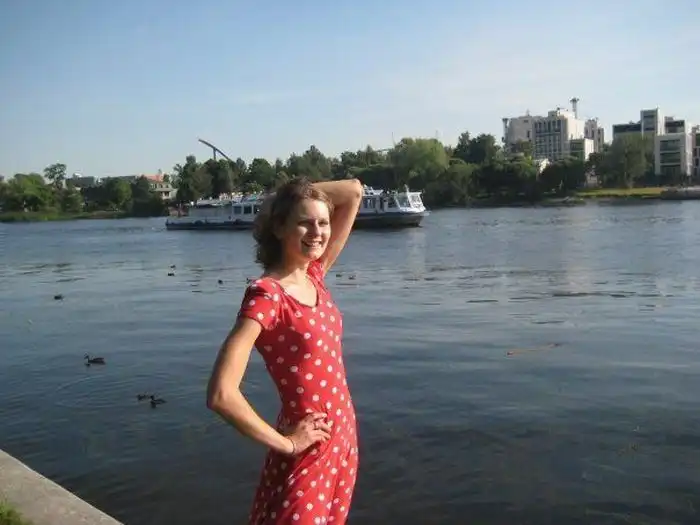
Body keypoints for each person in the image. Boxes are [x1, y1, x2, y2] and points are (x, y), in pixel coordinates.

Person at [206, 177, 364, 525]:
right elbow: (221, 394)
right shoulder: (268, 296)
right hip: (309, 447)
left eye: (323, 222)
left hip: (342, 442)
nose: (318, 232)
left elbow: (353, 190)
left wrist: (291, 200)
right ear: (279, 228)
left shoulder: (314, 275)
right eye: (305, 222)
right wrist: (288, 444)